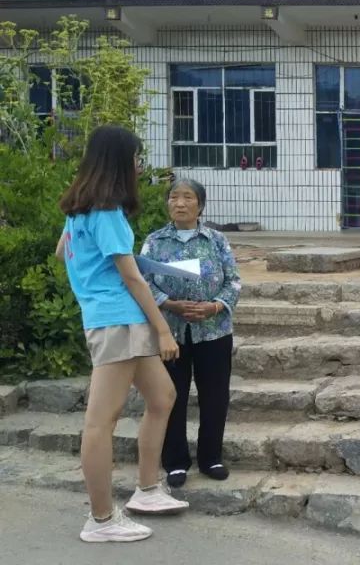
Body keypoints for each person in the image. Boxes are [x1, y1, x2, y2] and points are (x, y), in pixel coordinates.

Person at [56, 125, 188, 543]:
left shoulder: (79, 210)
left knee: (162, 396)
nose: (138, 165)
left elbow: (63, 253)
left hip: (114, 317)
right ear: (118, 161)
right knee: (101, 421)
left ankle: (147, 489)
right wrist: (163, 330)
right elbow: (132, 279)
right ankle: (101, 519)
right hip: (118, 320)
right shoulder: (107, 211)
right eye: (135, 158)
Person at [140, 179, 241, 489]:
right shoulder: (155, 242)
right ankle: (175, 462)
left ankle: (211, 457)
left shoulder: (216, 240)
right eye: (174, 197)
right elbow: (142, 282)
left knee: (215, 395)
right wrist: (169, 303)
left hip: (213, 331)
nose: (180, 203)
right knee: (172, 395)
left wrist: (215, 306)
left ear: (201, 205)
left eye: (187, 197)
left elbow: (234, 281)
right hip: (170, 332)